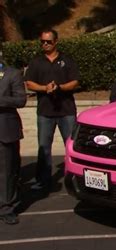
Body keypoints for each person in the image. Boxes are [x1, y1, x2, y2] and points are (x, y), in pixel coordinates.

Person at [25, 28, 80, 191]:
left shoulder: (67, 60)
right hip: (45, 112)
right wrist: (44, 88)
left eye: (48, 41)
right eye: (42, 41)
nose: (45, 44)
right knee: (44, 146)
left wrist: (60, 87)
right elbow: (29, 83)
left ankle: (75, 177)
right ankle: (43, 180)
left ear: (56, 41)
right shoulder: (36, 62)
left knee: (71, 146)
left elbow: (75, 81)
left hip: (66, 111)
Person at [0, 53, 27, 225]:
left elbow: (21, 99)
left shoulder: (12, 74)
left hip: (5, 129)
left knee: (7, 172)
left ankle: (6, 208)